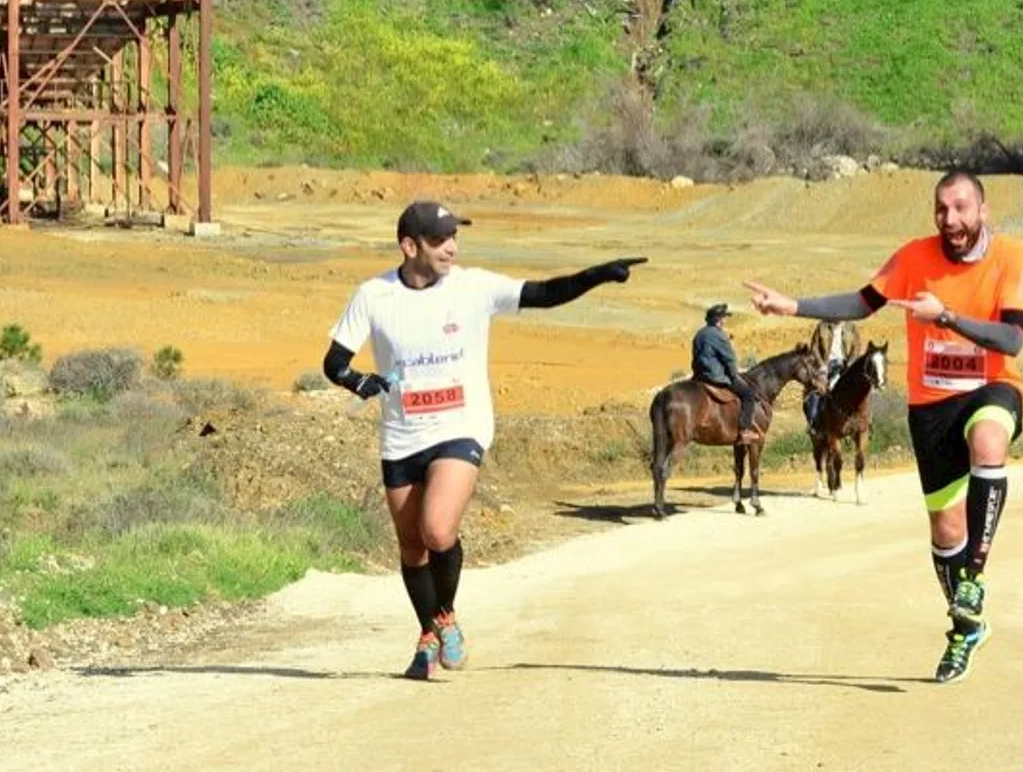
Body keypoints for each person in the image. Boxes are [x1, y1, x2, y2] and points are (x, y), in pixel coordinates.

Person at [321, 200, 646, 681]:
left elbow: (544, 293)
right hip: (401, 433)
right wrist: (359, 382)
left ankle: (444, 617)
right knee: (412, 548)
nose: (451, 246)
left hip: (461, 425)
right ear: (409, 247)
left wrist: (596, 275)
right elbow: (334, 362)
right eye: (439, 239)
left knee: (437, 531)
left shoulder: (473, 287)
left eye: (454, 236)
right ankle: (429, 633)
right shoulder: (373, 295)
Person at [745, 170, 1023, 684]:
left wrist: (945, 316)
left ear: (983, 211)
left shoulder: (1012, 257)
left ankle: (974, 577)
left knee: (989, 439)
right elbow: (862, 303)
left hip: (990, 389)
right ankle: (965, 628)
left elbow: (1012, 340)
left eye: (962, 208)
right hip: (930, 408)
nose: (952, 219)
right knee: (946, 529)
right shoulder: (913, 258)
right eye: (942, 209)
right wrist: (793, 306)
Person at [689, 302, 757, 442]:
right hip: (715, 377)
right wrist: (734, 374)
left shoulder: (699, 334)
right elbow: (729, 359)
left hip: (699, 376)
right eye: (724, 318)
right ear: (719, 320)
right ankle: (745, 431)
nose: (725, 321)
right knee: (748, 395)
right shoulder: (719, 335)